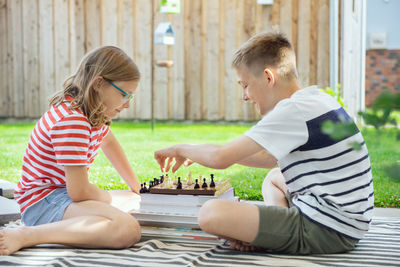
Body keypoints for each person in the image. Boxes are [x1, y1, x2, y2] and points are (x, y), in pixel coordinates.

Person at [154, 32, 373, 254]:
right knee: (274, 178)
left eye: (245, 85)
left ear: (268, 77)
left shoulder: (292, 110)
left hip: (325, 228)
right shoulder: (315, 100)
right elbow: (267, 159)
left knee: (210, 213)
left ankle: (275, 237)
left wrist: (180, 148)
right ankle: (274, 234)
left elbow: (220, 158)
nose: (244, 96)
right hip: (349, 223)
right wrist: (200, 151)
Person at [0, 46, 142, 256]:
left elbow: (109, 141)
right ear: (99, 83)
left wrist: (135, 186)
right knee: (127, 229)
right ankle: (27, 235)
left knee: (132, 201)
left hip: (57, 197)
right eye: (124, 95)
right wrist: (106, 198)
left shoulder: (89, 115)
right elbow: (80, 192)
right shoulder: (73, 121)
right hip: (43, 203)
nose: (127, 104)